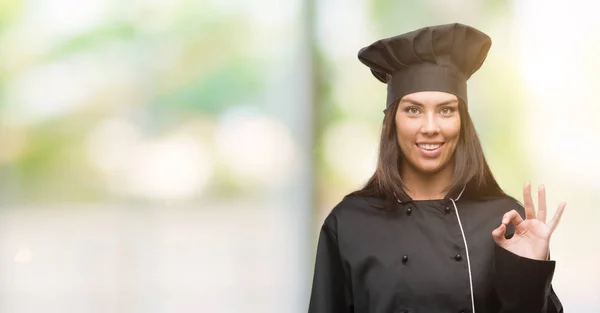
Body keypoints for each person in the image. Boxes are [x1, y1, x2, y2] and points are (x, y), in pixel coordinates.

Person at [307, 23, 566, 313]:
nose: (430, 127)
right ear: (393, 121)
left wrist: (528, 276)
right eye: (413, 110)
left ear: (462, 121)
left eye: (446, 110)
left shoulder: (505, 221)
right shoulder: (349, 223)